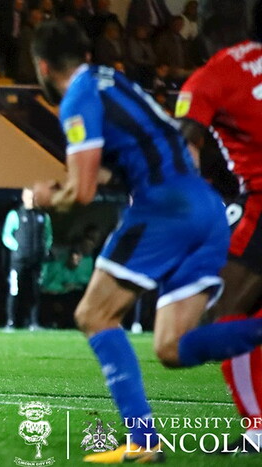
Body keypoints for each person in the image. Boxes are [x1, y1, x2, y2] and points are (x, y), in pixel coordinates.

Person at [29, 20, 262, 462]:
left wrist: (45, 197)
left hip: (163, 206)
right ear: (87, 55)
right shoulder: (113, 79)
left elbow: (82, 192)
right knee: (171, 346)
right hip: (207, 206)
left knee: (94, 314)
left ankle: (143, 440)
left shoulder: (77, 97)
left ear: (42, 66)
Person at [175, 1, 262, 450]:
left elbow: (181, 148)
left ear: (200, 30)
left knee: (224, 315)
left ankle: (258, 431)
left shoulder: (210, 77)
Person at [2, 188, 52, 331]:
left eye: (34, 197)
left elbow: (48, 235)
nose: (32, 200)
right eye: (29, 197)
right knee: (15, 290)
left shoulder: (43, 216)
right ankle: (11, 322)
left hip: (36, 261)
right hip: (19, 260)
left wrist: (45, 249)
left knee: (35, 292)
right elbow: (6, 235)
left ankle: (34, 323)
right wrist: (17, 248)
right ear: (24, 197)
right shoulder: (15, 214)